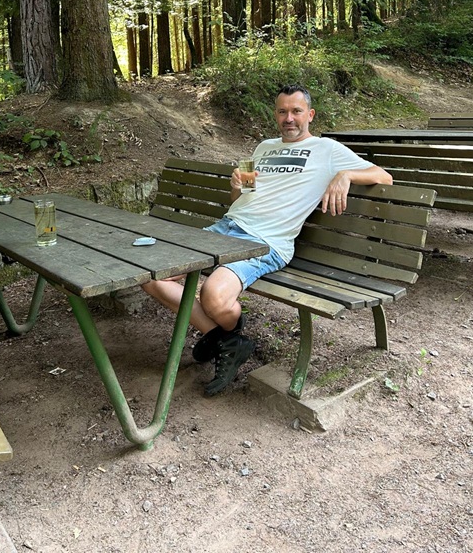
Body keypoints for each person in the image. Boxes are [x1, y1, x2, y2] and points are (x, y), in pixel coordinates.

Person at [142, 84, 392, 396]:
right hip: (227, 226)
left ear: (310, 115)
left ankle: (223, 339)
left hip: (266, 240)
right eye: (283, 111)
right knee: (151, 276)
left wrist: (346, 175)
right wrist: (237, 184)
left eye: (296, 111)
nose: (289, 118)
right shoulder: (263, 148)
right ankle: (227, 340)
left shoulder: (327, 150)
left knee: (213, 297)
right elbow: (240, 198)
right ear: (276, 115)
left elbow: (384, 176)